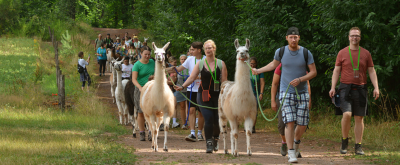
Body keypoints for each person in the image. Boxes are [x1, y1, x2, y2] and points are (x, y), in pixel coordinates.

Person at [251, 27, 317, 163]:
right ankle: (291, 152)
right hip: (285, 93)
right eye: (291, 37)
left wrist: (300, 79)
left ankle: (296, 142)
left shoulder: (305, 52)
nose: (293, 39)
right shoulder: (281, 52)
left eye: (296, 37)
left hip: (302, 92)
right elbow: (272, 65)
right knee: (289, 122)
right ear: (286, 38)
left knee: (303, 123)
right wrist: (258, 70)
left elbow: (313, 72)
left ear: (299, 38)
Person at [329, 27, 379, 155]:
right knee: (347, 114)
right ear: (348, 37)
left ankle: (358, 146)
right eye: (352, 36)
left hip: (361, 88)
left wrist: (376, 87)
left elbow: (372, 71)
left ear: (360, 37)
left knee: (359, 118)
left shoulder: (366, 53)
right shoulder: (342, 53)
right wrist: (333, 87)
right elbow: (336, 71)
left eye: (357, 36)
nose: (354, 38)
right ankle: (344, 141)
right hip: (345, 88)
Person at [175, 40, 228, 153]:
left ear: (214, 49)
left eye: (210, 48)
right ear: (204, 50)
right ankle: (208, 142)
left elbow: (224, 82)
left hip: (217, 95)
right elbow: (192, 77)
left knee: (216, 120)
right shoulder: (200, 63)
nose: (208, 50)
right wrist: (182, 86)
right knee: (208, 118)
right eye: (206, 48)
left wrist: (225, 97)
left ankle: (216, 138)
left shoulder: (221, 63)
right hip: (203, 95)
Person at [167, 42, 206, 142]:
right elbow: (179, 69)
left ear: (199, 50)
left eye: (193, 50)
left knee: (201, 113)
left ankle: (200, 132)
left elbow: (210, 74)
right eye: (190, 49)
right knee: (191, 110)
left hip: (202, 89)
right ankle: (192, 133)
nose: (191, 51)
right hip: (191, 89)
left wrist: (198, 77)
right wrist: (168, 68)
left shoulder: (205, 59)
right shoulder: (190, 59)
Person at [271, 63, 312, 157]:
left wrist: (309, 99)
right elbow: (274, 83)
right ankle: (284, 142)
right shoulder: (280, 66)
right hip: (283, 97)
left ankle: (293, 148)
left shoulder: (301, 65)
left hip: (300, 97)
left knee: (296, 124)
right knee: (282, 125)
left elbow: (308, 84)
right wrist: (273, 100)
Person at [132, 46, 154, 141]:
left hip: (152, 89)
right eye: (145, 54)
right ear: (141, 54)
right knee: (141, 112)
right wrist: (140, 88)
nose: (147, 56)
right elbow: (134, 79)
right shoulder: (137, 65)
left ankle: (150, 131)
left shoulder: (153, 62)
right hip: (140, 89)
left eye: (149, 54)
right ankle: (141, 132)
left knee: (151, 112)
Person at [171, 55, 189, 129]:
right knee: (182, 107)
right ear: (180, 60)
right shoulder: (178, 68)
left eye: (185, 59)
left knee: (190, 107)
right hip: (180, 89)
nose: (183, 60)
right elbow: (174, 77)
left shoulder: (190, 68)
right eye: (182, 59)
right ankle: (184, 123)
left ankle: (190, 123)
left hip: (188, 89)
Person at [249, 57, 265, 133]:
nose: (252, 65)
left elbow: (262, 83)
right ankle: (247, 125)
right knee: (247, 110)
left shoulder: (259, 71)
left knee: (254, 110)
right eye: (251, 63)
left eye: (254, 63)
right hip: (247, 94)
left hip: (256, 93)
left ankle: (253, 127)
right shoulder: (246, 71)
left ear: (256, 64)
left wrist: (261, 93)